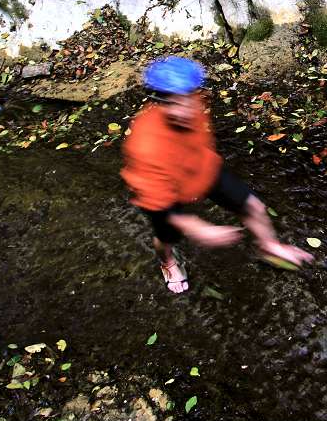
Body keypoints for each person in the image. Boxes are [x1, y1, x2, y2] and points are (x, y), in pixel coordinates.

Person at [121, 56, 313, 293]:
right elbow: (158, 203)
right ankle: (168, 263)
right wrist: (197, 226)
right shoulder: (145, 145)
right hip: (162, 192)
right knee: (166, 237)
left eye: (187, 99)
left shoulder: (195, 105)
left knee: (254, 206)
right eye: (173, 103)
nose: (184, 110)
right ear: (160, 102)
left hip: (200, 169)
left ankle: (269, 246)